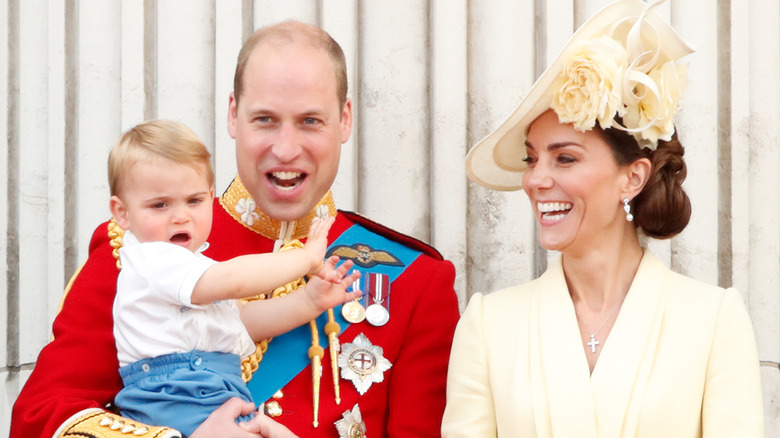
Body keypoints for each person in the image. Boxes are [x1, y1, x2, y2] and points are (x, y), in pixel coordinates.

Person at [11, 19, 460, 438]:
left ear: (344, 119)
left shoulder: (415, 283)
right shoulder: (137, 245)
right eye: (265, 119)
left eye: (310, 121)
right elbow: (39, 416)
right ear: (232, 115)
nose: (286, 149)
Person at [442, 0, 764, 437]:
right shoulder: (488, 325)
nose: (536, 180)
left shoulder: (713, 320)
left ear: (632, 177)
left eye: (566, 158)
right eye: (531, 159)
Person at [106, 119, 361, 436]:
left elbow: (244, 322)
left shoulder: (192, 266)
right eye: (160, 205)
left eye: (195, 200)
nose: (181, 215)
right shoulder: (153, 259)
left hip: (213, 395)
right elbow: (232, 280)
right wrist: (305, 259)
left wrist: (309, 300)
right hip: (176, 400)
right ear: (122, 213)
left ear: (210, 196)